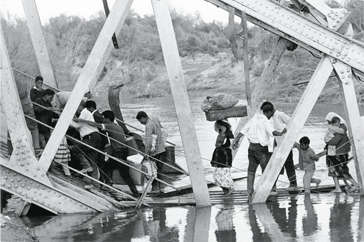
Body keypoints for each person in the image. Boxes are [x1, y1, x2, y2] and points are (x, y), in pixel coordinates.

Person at [74, 110, 140, 197]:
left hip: (119, 153)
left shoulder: (110, 126)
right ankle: (134, 192)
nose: (103, 119)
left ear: (108, 119)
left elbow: (95, 125)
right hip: (123, 152)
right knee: (121, 173)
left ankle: (109, 185)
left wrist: (82, 120)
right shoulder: (118, 126)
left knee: (110, 169)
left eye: (104, 118)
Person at [232, 104, 287, 198]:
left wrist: (236, 140)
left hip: (251, 148)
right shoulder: (266, 121)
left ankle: (249, 191)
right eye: (271, 113)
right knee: (266, 171)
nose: (271, 115)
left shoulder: (254, 118)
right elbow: (272, 132)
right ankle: (266, 191)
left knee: (251, 170)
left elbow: (243, 130)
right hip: (261, 149)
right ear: (269, 112)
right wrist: (281, 133)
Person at [261, 101, 297, 191]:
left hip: (285, 143)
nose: (265, 116)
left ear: (270, 111)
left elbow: (293, 123)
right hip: (277, 143)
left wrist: (287, 131)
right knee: (275, 165)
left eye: (266, 114)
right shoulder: (271, 118)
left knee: (289, 164)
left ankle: (293, 184)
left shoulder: (280, 115)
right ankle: (272, 186)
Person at [324, 114, 359, 193]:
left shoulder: (340, 129)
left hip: (339, 154)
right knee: (332, 169)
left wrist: (327, 141)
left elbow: (333, 141)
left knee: (342, 170)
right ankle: (337, 187)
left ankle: (355, 184)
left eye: (329, 122)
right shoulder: (335, 129)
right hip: (332, 153)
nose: (328, 123)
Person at [70, 100, 101, 189]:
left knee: (76, 149)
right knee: (92, 162)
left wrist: (66, 119)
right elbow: (79, 127)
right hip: (94, 138)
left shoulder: (84, 112)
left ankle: (86, 166)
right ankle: (95, 185)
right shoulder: (85, 114)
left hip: (91, 138)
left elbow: (76, 126)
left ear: (80, 106)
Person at [136, 111, 167, 193]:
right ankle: (162, 187)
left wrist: (146, 153)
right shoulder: (155, 119)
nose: (140, 123)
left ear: (143, 118)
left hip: (154, 151)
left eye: (140, 121)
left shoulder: (148, 125)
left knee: (153, 170)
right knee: (160, 169)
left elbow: (149, 142)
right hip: (162, 148)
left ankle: (155, 189)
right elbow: (162, 129)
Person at [210, 120, 235, 195]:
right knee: (218, 175)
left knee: (222, 175)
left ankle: (229, 189)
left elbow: (218, 145)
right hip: (221, 158)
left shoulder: (225, 135)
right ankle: (227, 190)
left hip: (224, 159)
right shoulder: (224, 134)